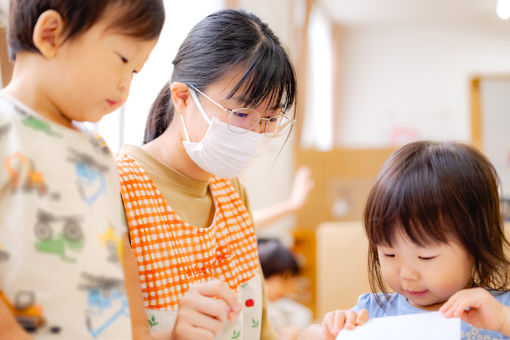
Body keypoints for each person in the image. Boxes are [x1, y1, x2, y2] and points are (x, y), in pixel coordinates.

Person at [115, 9, 296, 340]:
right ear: (183, 97)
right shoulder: (118, 187)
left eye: (268, 119)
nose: (255, 133)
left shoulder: (231, 191)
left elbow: (262, 327)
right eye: (242, 113)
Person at [0, 1, 164, 339]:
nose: (125, 86)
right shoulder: (6, 128)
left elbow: (118, 252)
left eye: (134, 71)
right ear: (50, 35)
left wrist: (138, 330)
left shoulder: (97, 151)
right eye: (122, 60)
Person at [299, 141, 510, 340]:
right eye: (389, 254)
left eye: (425, 257)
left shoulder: (498, 309)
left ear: (475, 244)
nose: (407, 274)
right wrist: (326, 332)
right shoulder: (371, 312)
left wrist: (502, 320)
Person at [258, 239, 312, 340]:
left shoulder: (278, 304)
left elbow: (304, 314)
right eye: (285, 280)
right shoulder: (258, 308)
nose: (290, 288)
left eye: (292, 281)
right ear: (264, 277)